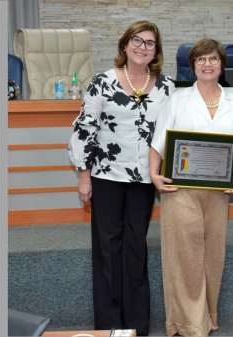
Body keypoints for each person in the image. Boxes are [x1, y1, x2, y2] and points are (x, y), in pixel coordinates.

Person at [68, 20, 175, 336]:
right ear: (125, 45)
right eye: (137, 41)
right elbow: (85, 129)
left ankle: (137, 325)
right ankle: (109, 325)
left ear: (157, 50)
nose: (143, 47)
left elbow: (171, 133)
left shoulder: (166, 87)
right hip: (106, 177)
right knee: (108, 248)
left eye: (150, 43)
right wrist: (83, 176)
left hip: (145, 180)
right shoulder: (103, 82)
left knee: (135, 247)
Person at [149, 37, 233, 337]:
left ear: (222, 65)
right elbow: (159, 142)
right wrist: (154, 174)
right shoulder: (178, 98)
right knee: (184, 256)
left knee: (212, 256)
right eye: (201, 59)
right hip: (180, 190)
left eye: (213, 59)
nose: (207, 64)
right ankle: (189, 324)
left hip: (219, 194)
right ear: (192, 65)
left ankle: (208, 315)